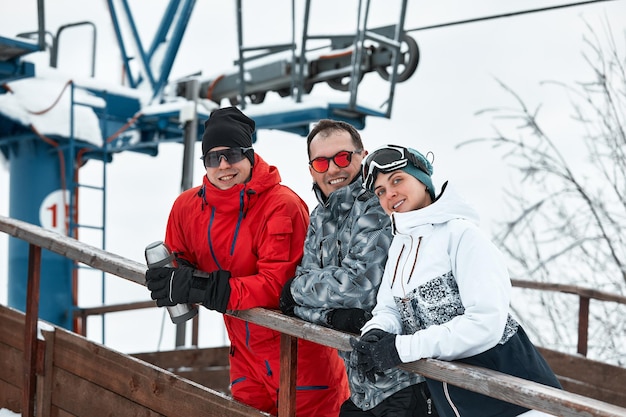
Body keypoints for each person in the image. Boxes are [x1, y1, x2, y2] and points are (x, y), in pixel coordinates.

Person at [145, 106, 349, 417]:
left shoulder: (282, 206)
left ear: (250, 155)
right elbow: (179, 259)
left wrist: (202, 287)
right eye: (213, 157)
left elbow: (277, 287)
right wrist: (173, 282)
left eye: (232, 154)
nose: (223, 165)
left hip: (301, 359)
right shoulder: (187, 208)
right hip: (244, 358)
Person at [351, 144, 563, 417]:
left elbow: (485, 323)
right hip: (456, 401)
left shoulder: (462, 235)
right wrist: (376, 332)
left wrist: (402, 347)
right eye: (380, 191)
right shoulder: (400, 245)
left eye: (397, 180)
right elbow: (389, 307)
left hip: (514, 397)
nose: (390, 193)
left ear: (422, 180)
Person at [279, 120, 436, 417]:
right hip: (362, 388)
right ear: (312, 169)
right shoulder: (319, 218)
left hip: (406, 380)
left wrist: (297, 290)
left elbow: (360, 287)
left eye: (342, 157)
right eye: (322, 162)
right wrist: (333, 315)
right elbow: (295, 306)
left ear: (361, 156)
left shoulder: (377, 206)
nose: (334, 170)